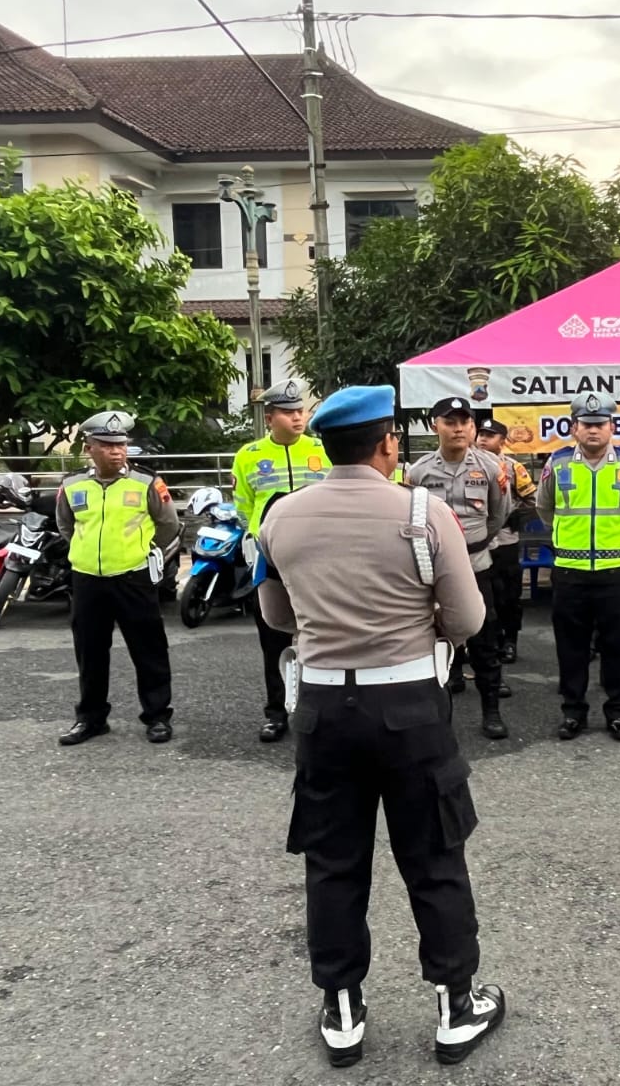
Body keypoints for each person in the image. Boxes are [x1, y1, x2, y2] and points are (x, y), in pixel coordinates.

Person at [258, 385, 505, 1069]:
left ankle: (342, 1009)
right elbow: (466, 621)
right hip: (409, 709)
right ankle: (456, 1006)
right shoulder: (424, 512)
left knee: (333, 862)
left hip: (322, 711)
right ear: (387, 443)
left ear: (325, 445)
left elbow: (277, 613)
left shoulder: (281, 517)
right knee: (434, 856)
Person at [55, 410, 180, 747]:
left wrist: (145, 551)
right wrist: (86, 552)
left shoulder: (146, 482)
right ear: (89, 448)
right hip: (87, 580)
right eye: (107, 445)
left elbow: (169, 524)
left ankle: (157, 717)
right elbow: (66, 526)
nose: (116, 451)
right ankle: (91, 719)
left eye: (121, 444)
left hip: (133, 578)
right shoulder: (72, 485)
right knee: (90, 652)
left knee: (149, 649)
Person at [536, 392, 620, 741]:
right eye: (586, 425)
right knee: (571, 645)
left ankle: (617, 710)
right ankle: (573, 711)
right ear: (574, 428)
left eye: (600, 424)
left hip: (617, 571)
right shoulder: (557, 464)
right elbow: (545, 509)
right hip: (570, 570)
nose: (593, 431)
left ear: (611, 427)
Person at [232, 378, 331, 743]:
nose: (297, 417)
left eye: (300, 410)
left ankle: (320, 708)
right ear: (269, 417)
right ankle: (276, 712)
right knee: (273, 638)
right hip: (270, 560)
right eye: (288, 412)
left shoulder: (323, 449)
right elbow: (243, 507)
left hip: (318, 558)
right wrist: (256, 536)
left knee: (322, 635)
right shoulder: (249, 456)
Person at [408, 397, 513, 739]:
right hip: (433, 570)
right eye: (450, 422)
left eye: (465, 422)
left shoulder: (491, 468)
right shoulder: (418, 471)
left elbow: (499, 515)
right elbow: (411, 518)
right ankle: (438, 712)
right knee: (434, 637)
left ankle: (491, 710)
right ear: (433, 425)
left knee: (485, 637)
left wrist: (475, 541)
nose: (459, 429)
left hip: (476, 565)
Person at [475, 417, 536, 665]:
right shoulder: (468, 465)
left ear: (502, 441)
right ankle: (485, 643)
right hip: (477, 544)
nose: (483, 439)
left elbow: (533, 500)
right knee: (481, 596)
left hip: (505, 541)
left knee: (508, 595)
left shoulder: (513, 468)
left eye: (490, 435)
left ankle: (509, 642)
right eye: (481, 434)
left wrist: (512, 514)